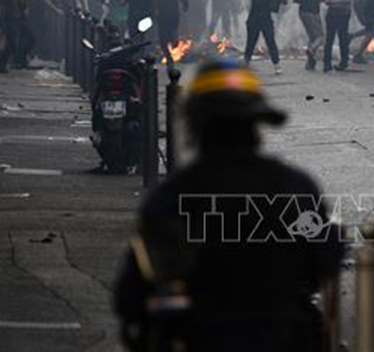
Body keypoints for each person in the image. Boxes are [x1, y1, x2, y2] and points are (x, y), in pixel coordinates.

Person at [114, 58, 344, 351]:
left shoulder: (171, 198)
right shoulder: (295, 188)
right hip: (283, 338)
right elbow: (323, 262)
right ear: (256, 124)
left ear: (196, 124)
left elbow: (130, 298)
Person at [236, 0, 285, 74]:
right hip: (256, 19)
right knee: (252, 43)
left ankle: (276, 64)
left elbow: (284, 0)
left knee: (269, 42)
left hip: (263, 19)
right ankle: (247, 63)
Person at [322, 0, 353, 72]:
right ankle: (329, 63)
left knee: (340, 38)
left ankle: (340, 63)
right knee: (333, 38)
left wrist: (332, 1)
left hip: (340, 11)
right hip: (338, 12)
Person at [295, 0, 325, 71]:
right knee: (321, 37)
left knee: (313, 37)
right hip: (312, 11)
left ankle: (310, 63)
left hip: (303, 10)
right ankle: (311, 49)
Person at [156, 0, 190, 69]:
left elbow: (153, 4)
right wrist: (185, 7)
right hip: (174, 17)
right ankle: (174, 41)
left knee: (163, 40)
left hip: (163, 18)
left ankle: (169, 56)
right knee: (172, 33)